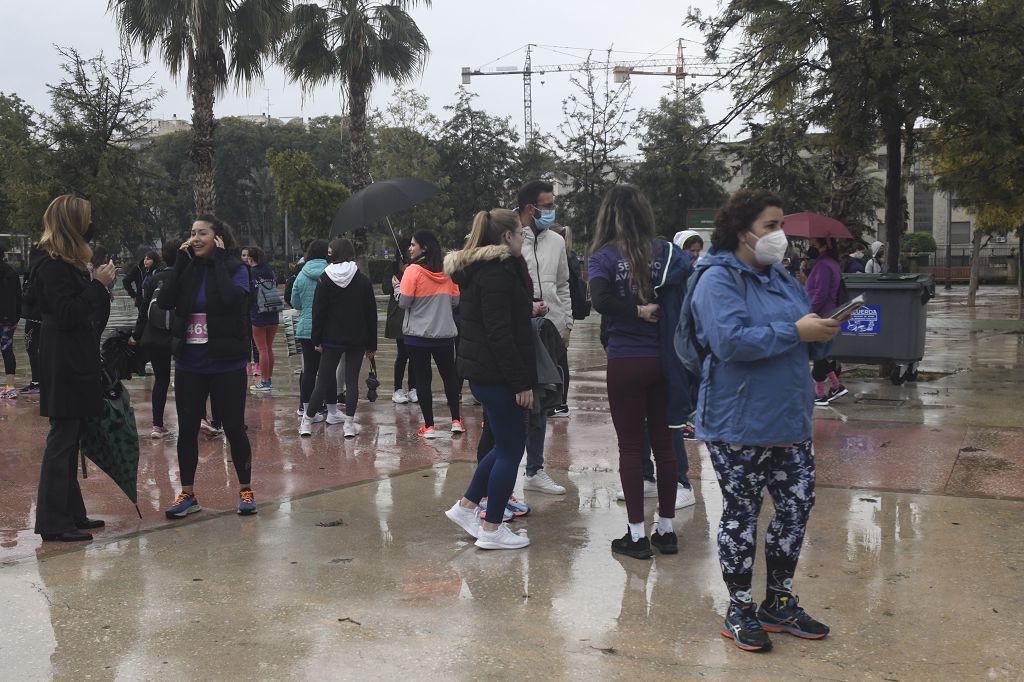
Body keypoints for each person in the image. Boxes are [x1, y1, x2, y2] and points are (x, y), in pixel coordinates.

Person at [690, 189, 839, 652]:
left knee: (795, 509)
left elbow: (803, 330)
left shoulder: (783, 278)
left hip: (790, 420)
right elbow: (730, 342)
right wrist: (795, 331)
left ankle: (778, 601)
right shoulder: (716, 281)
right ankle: (739, 607)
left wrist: (820, 335)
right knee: (742, 514)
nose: (781, 236)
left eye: (781, 226)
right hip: (739, 422)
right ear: (743, 233)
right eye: (771, 226)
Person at [588, 184, 685, 559]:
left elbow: (600, 300)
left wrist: (633, 312)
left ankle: (636, 535)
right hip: (666, 357)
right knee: (665, 444)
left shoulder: (604, 256)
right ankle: (667, 530)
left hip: (626, 359)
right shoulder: (665, 251)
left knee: (630, 446)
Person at [443, 209, 535, 550]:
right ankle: (493, 528)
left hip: (485, 372)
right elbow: (500, 334)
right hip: (497, 375)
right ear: (507, 237)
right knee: (511, 449)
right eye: (521, 235)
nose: (523, 241)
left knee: (502, 446)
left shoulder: (482, 271)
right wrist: (521, 382)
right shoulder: (497, 273)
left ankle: (467, 506)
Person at [157, 215, 257, 518]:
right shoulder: (186, 269)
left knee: (234, 427)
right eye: (192, 233)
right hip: (190, 363)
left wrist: (219, 261)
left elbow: (231, 300)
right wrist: (179, 264)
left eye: (202, 233)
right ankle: (187, 493)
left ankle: (245, 490)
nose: (195, 238)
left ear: (217, 237)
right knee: (187, 429)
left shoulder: (235, 269)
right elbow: (165, 300)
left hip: (226, 363)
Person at [31, 195, 113, 542]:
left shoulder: (66, 263)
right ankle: (53, 522)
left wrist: (98, 287)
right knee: (62, 440)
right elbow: (67, 313)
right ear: (72, 223)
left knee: (70, 438)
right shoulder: (52, 265)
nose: (90, 224)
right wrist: (98, 286)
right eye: (86, 218)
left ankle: (71, 513)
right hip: (62, 362)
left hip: (72, 359)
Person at [517, 180, 571, 495]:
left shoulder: (557, 242)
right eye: (546, 205)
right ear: (530, 207)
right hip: (519, 329)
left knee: (543, 402)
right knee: (519, 403)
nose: (551, 211)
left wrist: (567, 324)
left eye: (552, 204)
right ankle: (501, 477)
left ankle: (535, 469)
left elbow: (563, 284)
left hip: (550, 330)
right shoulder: (508, 237)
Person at [299, 238, 377, 438]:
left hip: (331, 338)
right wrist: (371, 344)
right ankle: (349, 426)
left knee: (323, 381)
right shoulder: (362, 280)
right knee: (351, 381)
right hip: (357, 338)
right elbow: (371, 314)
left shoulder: (325, 279)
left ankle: (306, 422)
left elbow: (319, 312)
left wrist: (316, 340)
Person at [398, 229, 463, 438]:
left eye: (413, 244)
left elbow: (404, 302)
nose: (410, 248)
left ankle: (429, 426)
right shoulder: (447, 270)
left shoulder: (412, 271)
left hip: (417, 336)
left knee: (423, 379)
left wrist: (397, 288)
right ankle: (456, 421)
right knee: (449, 377)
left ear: (423, 248)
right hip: (444, 335)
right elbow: (455, 301)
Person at [130, 240, 178, 437]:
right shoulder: (184, 277)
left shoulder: (153, 279)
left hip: (154, 336)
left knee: (161, 380)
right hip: (179, 336)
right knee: (187, 379)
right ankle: (196, 420)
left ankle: (157, 426)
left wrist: (136, 334)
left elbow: (143, 310)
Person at [805, 237, 848, 406]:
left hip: (820, 314)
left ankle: (824, 393)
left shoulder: (823, 265)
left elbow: (820, 293)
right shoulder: (830, 263)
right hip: (827, 313)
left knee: (817, 354)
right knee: (819, 354)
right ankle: (833, 387)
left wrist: (809, 311)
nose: (811, 246)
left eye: (814, 243)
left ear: (824, 244)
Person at [290, 239, 330, 420]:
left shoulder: (301, 274)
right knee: (327, 369)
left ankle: (306, 411)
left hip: (306, 328)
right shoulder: (331, 272)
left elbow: (295, 302)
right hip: (328, 329)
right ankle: (330, 409)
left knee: (309, 370)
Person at [383, 238, 417, 404]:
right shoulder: (393, 267)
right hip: (399, 315)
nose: (410, 250)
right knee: (403, 353)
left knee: (415, 354)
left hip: (415, 314)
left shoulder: (418, 266)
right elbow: (386, 288)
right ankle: (397, 389)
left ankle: (413, 388)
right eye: (408, 247)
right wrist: (403, 274)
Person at [244, 246, 280, 392]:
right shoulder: (269, 271)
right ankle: (268, 380)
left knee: (262, 349)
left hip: (258, 314)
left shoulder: (250, 273)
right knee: (269, 348)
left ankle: (264, 382)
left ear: (250, 259)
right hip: (273, 313)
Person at [0, 244, 21, 399]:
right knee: (7, 349)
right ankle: (10, 386)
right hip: (9, 319)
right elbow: (18, 297)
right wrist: (16, 317)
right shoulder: (12, 272)